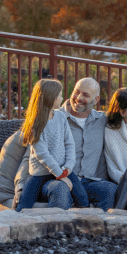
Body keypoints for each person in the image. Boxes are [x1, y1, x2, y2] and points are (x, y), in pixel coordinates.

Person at [15, 78, 89, 212]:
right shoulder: (35, 125)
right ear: (51, 98)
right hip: (39, 174)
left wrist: (69, 166)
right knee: (23, 206)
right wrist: (61, 176)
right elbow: (43, 155)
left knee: (82, 198)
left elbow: (69, 143)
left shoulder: (61, 117)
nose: (62, 98)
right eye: (60, 95)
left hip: (63, 169)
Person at [45, 77, 119, 211]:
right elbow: (31, 151)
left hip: (87, 182)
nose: (78, 97)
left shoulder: (102, 121)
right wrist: (21, 187)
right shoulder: (52, 117)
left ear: (96, 100)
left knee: (110, 190)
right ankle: (59, 231)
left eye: (85, 95)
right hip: (57, 180)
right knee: (61, 190)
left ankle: (98, 230)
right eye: (76, 92)